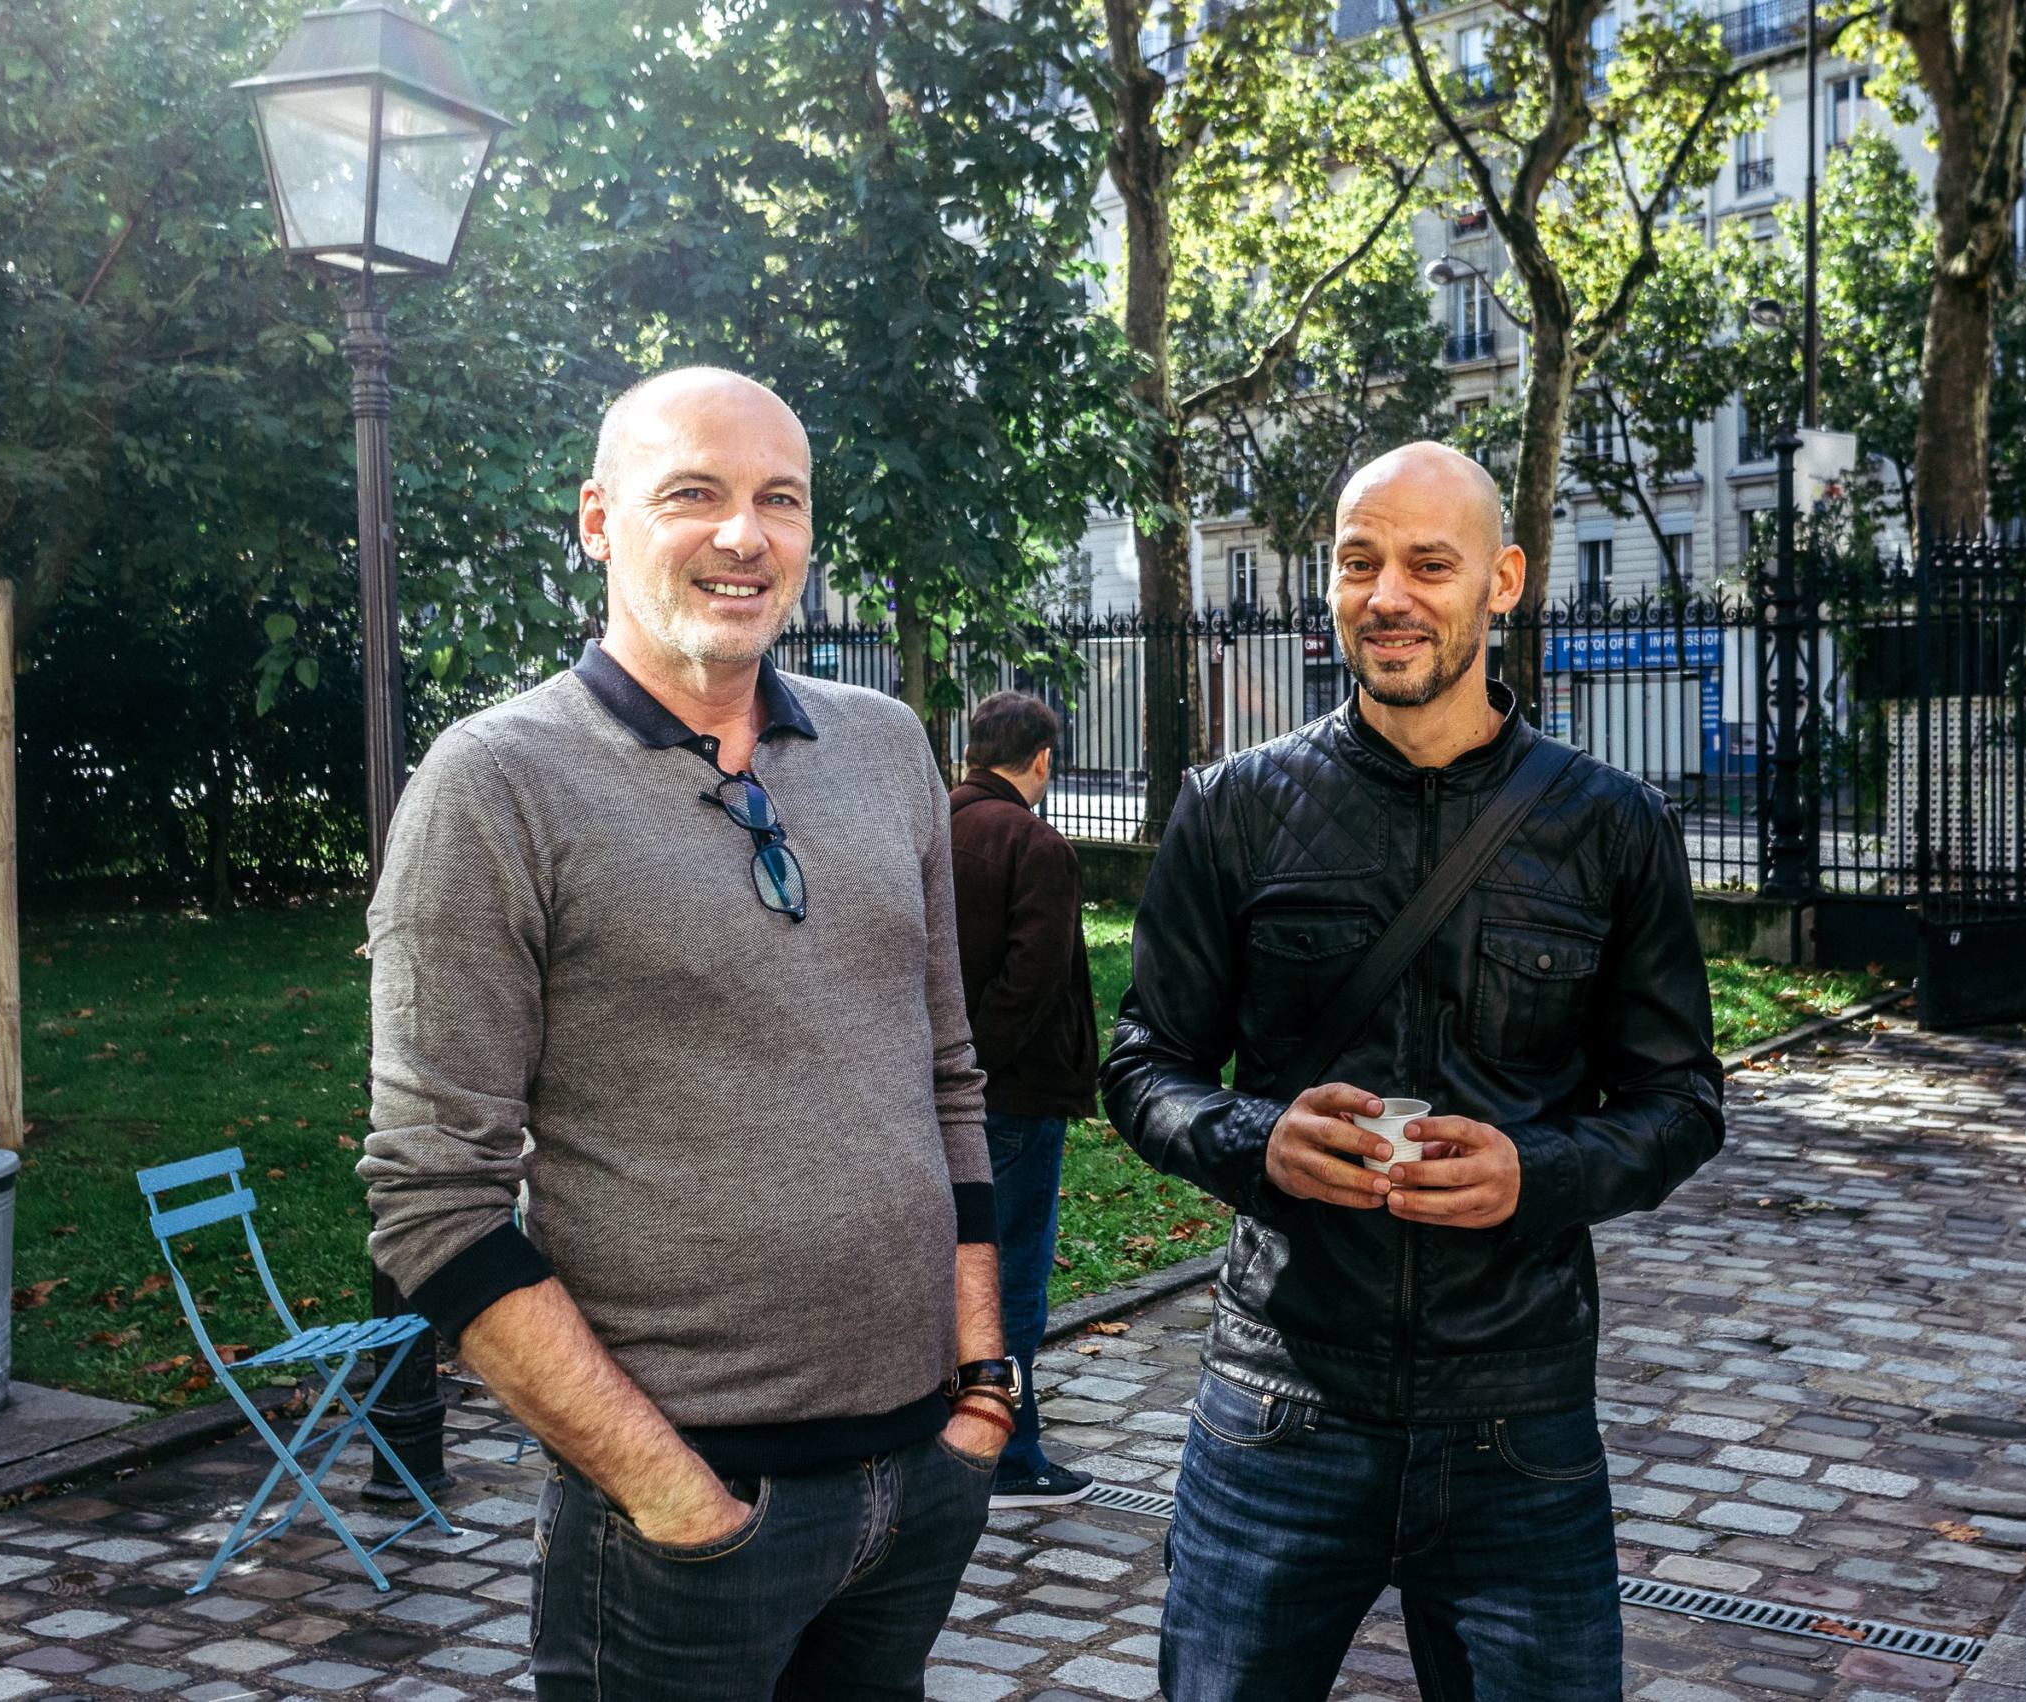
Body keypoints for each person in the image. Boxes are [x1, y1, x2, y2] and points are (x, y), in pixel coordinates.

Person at [361, 367, 1014, 1702]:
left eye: (780, 498)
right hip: (685, 1520)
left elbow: (947, 1074)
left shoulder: (886, 746)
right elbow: (432, 1199)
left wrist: (984, 1390)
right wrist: (673, 1492)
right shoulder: (494, 783)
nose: (745, 535)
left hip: (921, 1489)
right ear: (599, 520)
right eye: (695, 495)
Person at [1102, 441, 1727, 1701]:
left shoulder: (1611, 823)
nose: (1386, 594)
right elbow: (1145, 1066)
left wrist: (1533, 1171)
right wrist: (1252, 1140)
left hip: (1519, 1413)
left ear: (1501, 581)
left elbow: (1680, 1102)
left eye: (1426, 564)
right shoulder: (1230, 808)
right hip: (1277, 1401)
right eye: (1358, 563)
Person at [948, 690, 1100, 1508]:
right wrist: (980, 1069)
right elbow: (1031, 981)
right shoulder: (1035, 843)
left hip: (937, 1093)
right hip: (1012, 1097)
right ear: (1042, 758)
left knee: (953, 1269)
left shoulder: (934, 822)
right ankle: (1011, 1453)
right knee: (1011, 1282)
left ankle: (955, 1432)